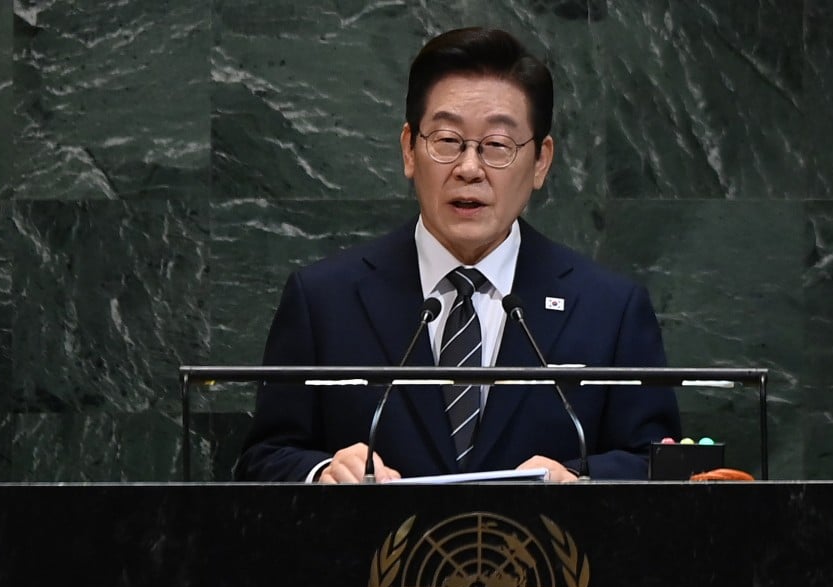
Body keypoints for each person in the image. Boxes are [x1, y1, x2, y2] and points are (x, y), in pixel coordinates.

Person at [236, 27, 680, 483]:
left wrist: (579, 480)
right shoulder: (324, 300)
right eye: (447, 140)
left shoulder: (609, 309)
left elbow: (658, 464)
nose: (469, 169)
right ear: (409, 150)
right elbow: (263, 459)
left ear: (541, 162)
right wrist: (322, 473)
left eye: (497, 146)